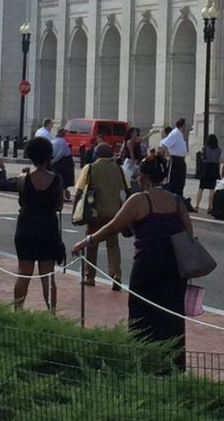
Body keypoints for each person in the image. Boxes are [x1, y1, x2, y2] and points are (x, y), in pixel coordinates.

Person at [72, 154, 191, 371]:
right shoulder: (176, 200)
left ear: (144, 177)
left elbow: (112, 227)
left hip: (147, 266)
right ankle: (173, 365)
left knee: (142, 315)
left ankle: (143, 363)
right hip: (174, 268)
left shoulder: (139, 200)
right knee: (172, 316)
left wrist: (86, 241)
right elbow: (188, 233)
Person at [13, 136, 64, 309]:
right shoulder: (56, 179)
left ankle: (18, 310)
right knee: (48, 276)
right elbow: (59, 205)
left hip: (26, 226)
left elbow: (22, 202)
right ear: (48, 155)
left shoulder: (23, 178)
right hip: (47, 227)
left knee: (23, 273)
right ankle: (52, 313)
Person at [76, 143, 128, 289]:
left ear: (96, 154)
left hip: (95, 213)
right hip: (114, 214)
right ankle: (116, 275)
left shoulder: (90, 168)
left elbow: (79, 191)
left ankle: (90, 276)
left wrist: (76, 212)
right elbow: (127, 189)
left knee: (91, 243)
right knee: (113, 245)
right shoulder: (119, 169)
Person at [159, 118, 189, 198]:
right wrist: (168, 156)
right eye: (185, 126)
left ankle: (179, 198)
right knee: (174, 181)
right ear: (182, 126)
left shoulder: (179, 134)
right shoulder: (175, 133)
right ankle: (172, 198)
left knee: (181, 181)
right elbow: (164, 145)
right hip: (175, 160)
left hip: (181, 160)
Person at [195, 134, 221, 214]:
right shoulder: (219, 150)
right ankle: (209, 207)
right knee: (212, 190)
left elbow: (203, 158)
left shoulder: (205, 149)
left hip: (206, 169)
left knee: (201, 188)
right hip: (214, 169)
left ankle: (197, 206)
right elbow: (218, 160)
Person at [50, 128, 74, 201]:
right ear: (63, 134)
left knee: (56, 178)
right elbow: (62, 153)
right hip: (64, 162)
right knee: (64, 180)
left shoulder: (52, 141)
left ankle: (56, 195)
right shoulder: (63, 142)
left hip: (56, 163)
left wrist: (52, 161)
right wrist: (54, 160)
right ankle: (63, 196)